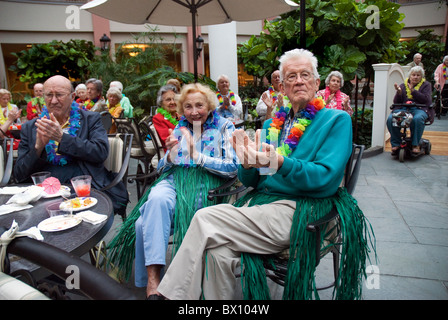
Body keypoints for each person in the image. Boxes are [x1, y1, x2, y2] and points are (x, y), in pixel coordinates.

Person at [156, 49, 373, 300]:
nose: (298, 81)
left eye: (305, 75)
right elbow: (255, 180)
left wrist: (280, 162)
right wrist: (247, 165)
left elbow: (325, 178)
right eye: (291, 76)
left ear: (316, 83)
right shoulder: (273, 124)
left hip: (304, 209)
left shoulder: (336, 120)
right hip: (262, 207)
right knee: (216, 255)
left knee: (205, 218)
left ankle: (168, 297)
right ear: (282, 86)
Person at [107, 82, 239, 300]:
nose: (194, 112)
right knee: (157, 197)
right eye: (188, 107)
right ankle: (155, 282)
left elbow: (233, 167)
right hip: (174, 180)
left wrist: (199, 157)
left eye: (200, 105)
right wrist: (169, 156)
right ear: (182, 109)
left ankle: (155, 282)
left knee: (142, 223)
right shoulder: (180, 127)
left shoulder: (225, 126)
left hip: (206, 186)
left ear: (210, 105)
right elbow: (160, 168)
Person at [14, 75, 128, 213]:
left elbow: (100, 152)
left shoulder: (91, 119)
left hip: (84, 187)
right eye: (49, 95)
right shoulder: (31, 127)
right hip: (44, 194)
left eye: (59, 95)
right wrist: (38, 147)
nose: (54, 100)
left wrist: (62, 138)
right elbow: (19, 174)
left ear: (72, 96)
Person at [387, 66, 432, 154]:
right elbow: (396, 101)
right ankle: (396, 143)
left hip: (419, 108)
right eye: (413, 75)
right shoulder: (403, 85)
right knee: (391, 118)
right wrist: (399, 93)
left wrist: (413, 91)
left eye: (418, 75)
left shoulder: (426, 85)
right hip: (404, 108)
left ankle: (415, 144)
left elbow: (426, 100)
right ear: (410, 76)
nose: (415, 77)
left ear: (421, 77)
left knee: (417, 119)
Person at [152, 84, 179, 151]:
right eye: (168, 100)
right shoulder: (158, 118)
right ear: (161, 103)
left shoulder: (180, 116)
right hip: (174, 153)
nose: (172, 102)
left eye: (174, 99)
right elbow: (167, 140)